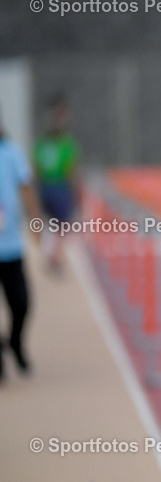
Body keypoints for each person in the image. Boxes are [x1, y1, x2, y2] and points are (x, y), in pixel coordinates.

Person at [0, 111, 43, 380]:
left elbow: (27, 189)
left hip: (11, 246)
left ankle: (15, 341)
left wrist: (36, 223)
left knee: (22, 304)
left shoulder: (12, 153)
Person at [33, 95, 80, 273]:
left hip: (46, 185)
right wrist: (75, 190)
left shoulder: (42, 144)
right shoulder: (65, 144)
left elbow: (35, 167)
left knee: (50, 222)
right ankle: (55, 255)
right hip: (59, 186)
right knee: (61, 224)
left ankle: (52, 254)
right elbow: (70, 169)